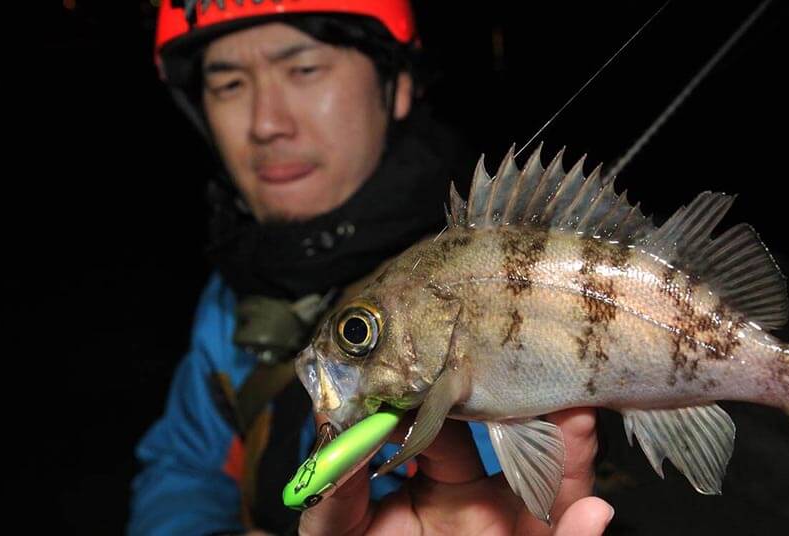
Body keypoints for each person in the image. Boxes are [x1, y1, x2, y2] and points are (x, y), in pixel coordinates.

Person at [130, 1, 614, 534]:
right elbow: (184, 468)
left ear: (398, 82)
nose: (266, 122)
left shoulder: (479, 286)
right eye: (228, 85)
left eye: (304, 69)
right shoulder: (232, 294)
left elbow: (517, 475)